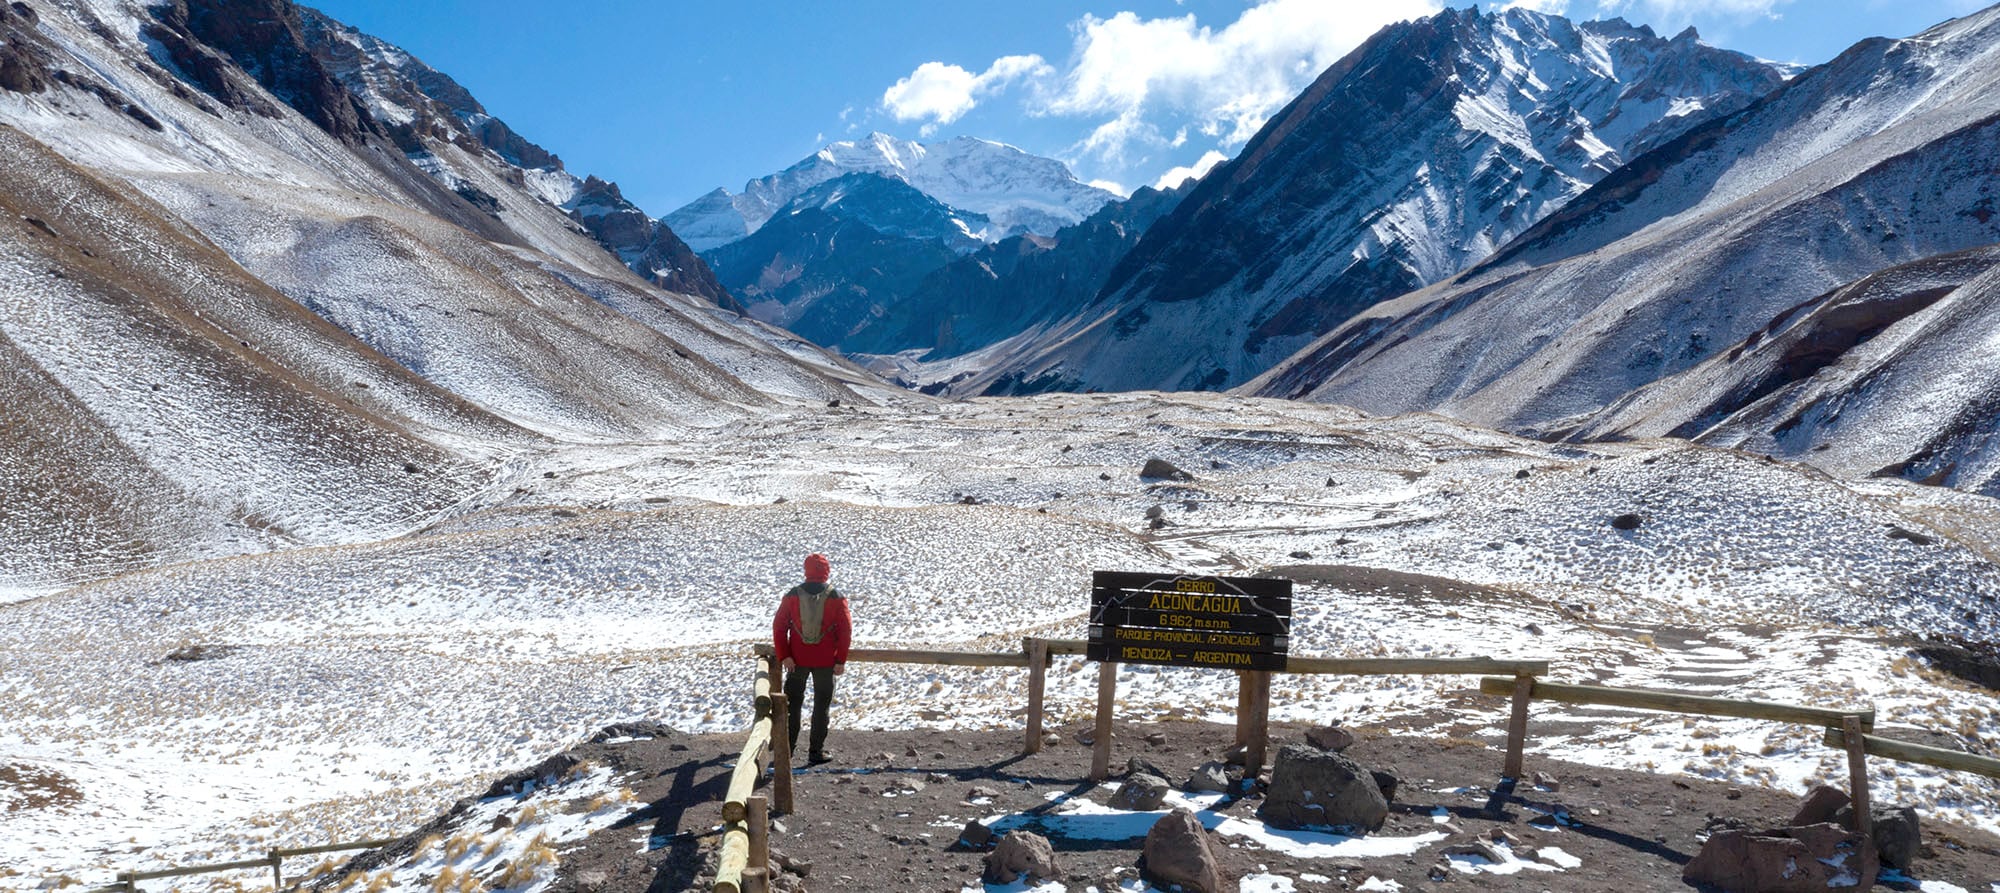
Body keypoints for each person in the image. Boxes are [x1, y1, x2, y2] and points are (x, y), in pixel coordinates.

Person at [772, 552, 850, 763]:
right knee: (820, 707)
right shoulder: (836, 596)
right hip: (826, 662)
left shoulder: (792, 595)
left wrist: (785, 655)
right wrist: (840, 660)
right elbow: (845, 630)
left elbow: (779, 627)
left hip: (796, 661)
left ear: (806, 570)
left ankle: (786, 752)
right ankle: (815, 752)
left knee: (792, 706)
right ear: (826, 571)